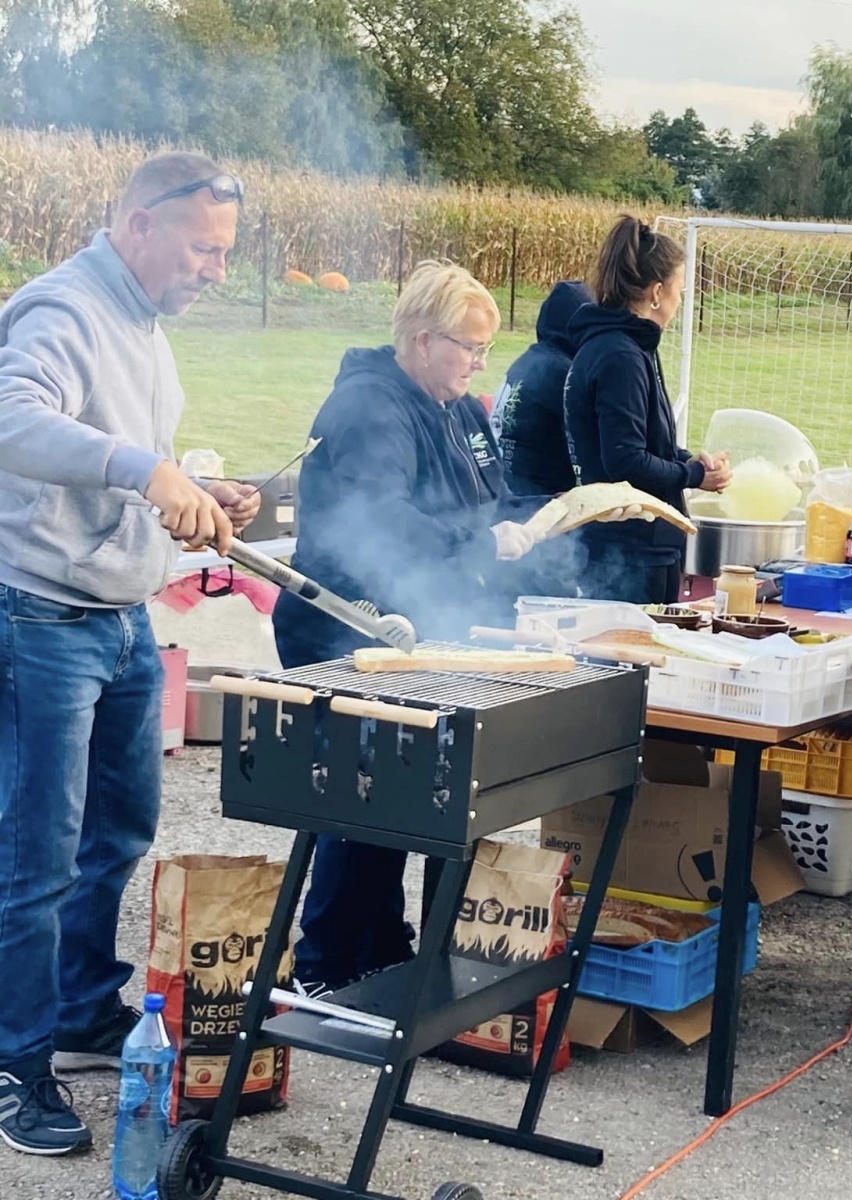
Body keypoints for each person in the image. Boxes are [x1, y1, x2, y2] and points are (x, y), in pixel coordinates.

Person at [0, 152, 256, 1155]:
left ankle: (76, 1011)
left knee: (116, 831)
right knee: (36, 854)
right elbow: (13, 421)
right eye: (202, 247)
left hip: (120, 622)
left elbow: (121, 462)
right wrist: (145, 469)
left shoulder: (144, 325)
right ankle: (15, 1067)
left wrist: (197, 492)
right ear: (141, 226)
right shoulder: (61, 309)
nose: (214, 270)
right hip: (39, 623)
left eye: (224, 252)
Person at [275, 260, 616, 994]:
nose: (478, 363)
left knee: (414, 788)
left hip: (425, 620)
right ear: (424, 340)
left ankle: (387, 945)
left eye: (485, 350)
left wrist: (545, 519)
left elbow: (488, 495)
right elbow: (383, 523)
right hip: (346, 622)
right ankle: (326, 961)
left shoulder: (459, 407)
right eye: (469, 347)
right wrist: (477, 545)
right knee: (358, 795)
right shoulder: (369, 407)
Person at [564, 216, 730, 604]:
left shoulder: (629, 348)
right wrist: (692, 475)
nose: (679, 301)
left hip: (637, 549)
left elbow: (647, 443)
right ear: (657, 292)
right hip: (630, 555)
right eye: (680, 291)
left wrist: (693, 462)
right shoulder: (620, 356)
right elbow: (625, 460)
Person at [492, 280, 593, 496]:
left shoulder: (525, 361)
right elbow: (587, 447)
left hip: (505, 488)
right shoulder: (564, 374)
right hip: (540, 499)